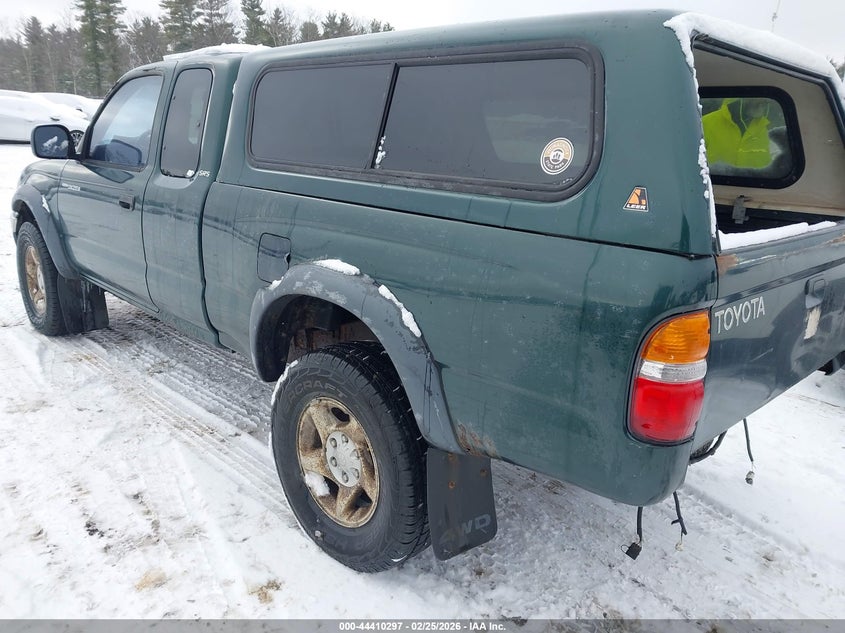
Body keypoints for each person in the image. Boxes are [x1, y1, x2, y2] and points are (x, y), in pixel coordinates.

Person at [702, 97, 772, 169]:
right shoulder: (705, 123)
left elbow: (764, 168)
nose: (767, 101)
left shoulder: (762, 129)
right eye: (759, 96)